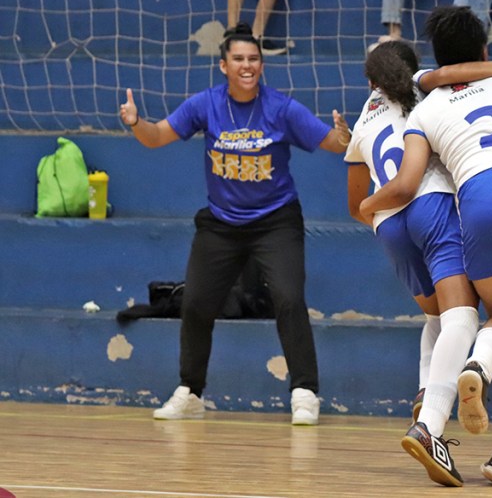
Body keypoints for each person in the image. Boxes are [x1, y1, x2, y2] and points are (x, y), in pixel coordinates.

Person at [360, 5, 492, 487]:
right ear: (483, 50)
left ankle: (468, 374)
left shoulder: (424, 107)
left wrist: (367, 207)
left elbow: (408, 180)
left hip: (479, 195)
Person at [119, 22, 352, 426]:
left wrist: (344, 136)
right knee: (195, 304)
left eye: (254, 59)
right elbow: (156, 137)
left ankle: (304, 392)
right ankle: (191, 393)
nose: (247, 65)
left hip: (276, 221)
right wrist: (136, 121)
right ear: (224, 66)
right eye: (239, 59)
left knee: (288, 299)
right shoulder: (205, 105)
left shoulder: (281, 108)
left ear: (262, 65)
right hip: (221, 225)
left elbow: (330, 142)